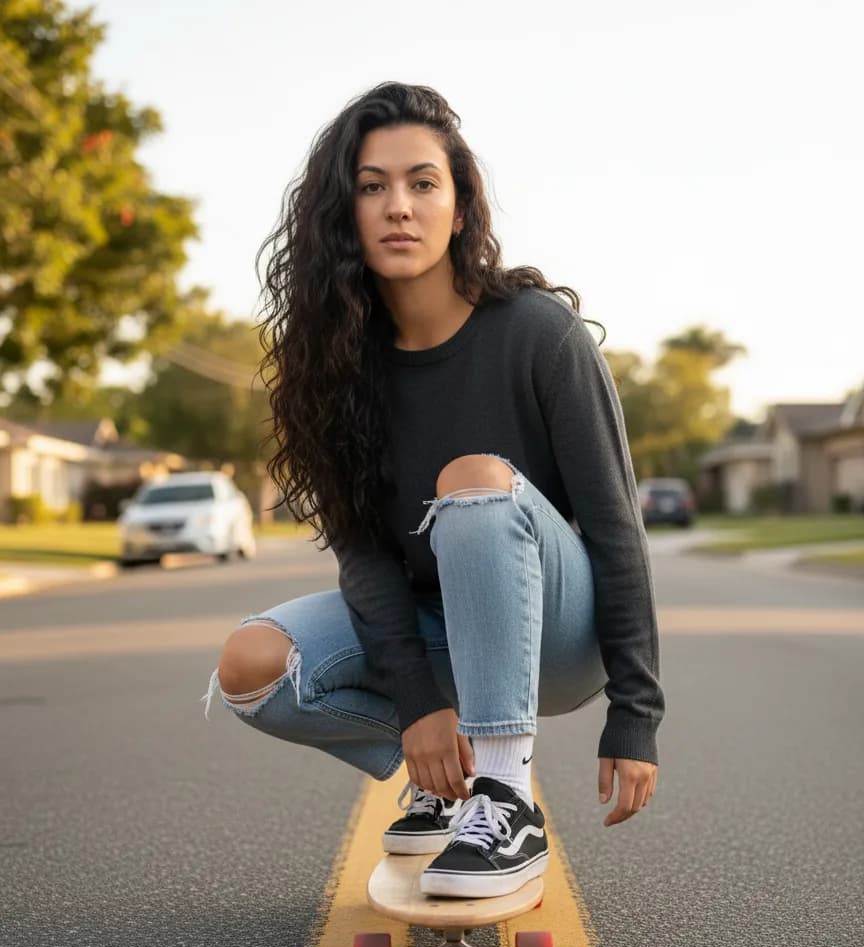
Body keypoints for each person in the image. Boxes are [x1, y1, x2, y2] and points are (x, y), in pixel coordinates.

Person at [201, 81, 665, 899]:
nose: (398, 207)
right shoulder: (333, 372)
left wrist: (636, 712)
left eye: (422, 183)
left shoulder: (537, 336)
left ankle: (506, 796)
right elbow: (366, 560)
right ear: (344, 214)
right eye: (372, 187)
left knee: (472, 479)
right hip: (443, 632)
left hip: (559, 634)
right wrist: (418, 706)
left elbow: (616, 528)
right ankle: (449, 778)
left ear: (460, 208)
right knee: (253, 665)